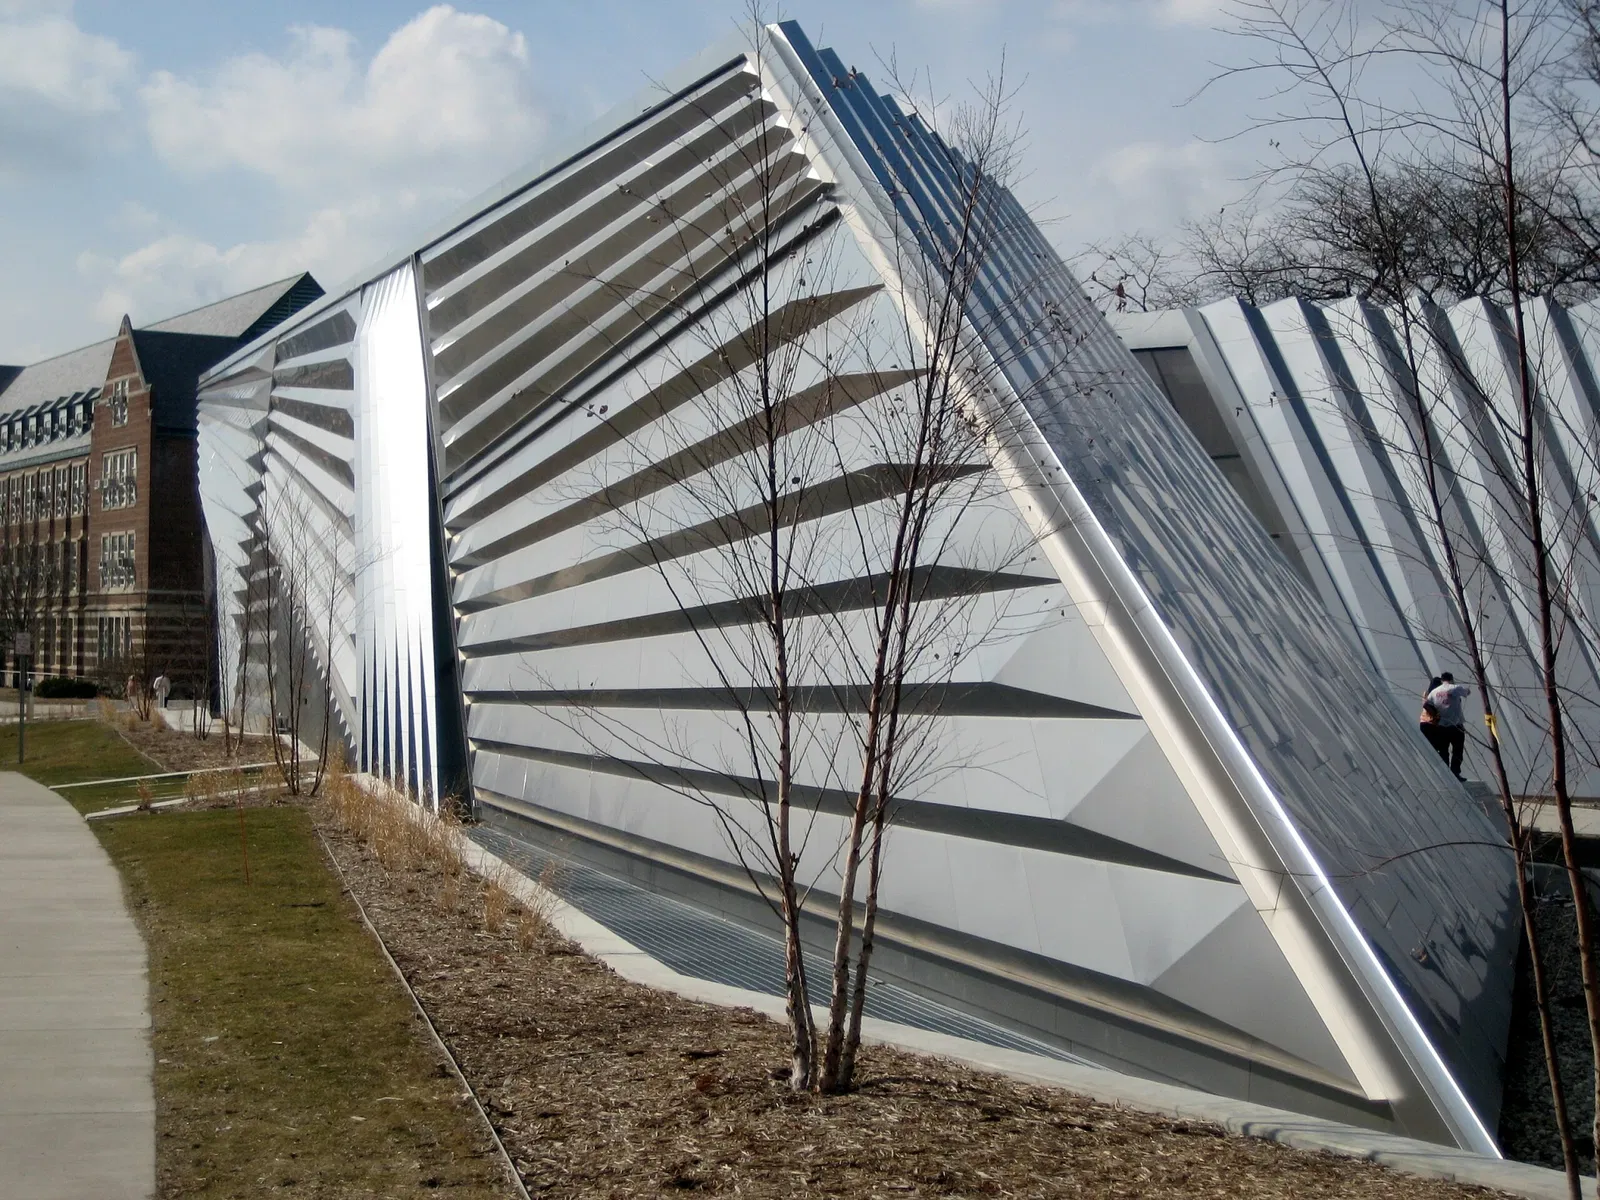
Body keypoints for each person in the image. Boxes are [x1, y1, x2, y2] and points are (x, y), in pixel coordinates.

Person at [1426, 672, 1473, 780]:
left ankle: (1446, 774)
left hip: (1441, 726)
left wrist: (1436, 716)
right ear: (1451, 679)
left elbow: (1427, 704)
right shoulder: (1455, 688)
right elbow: (1467, 692)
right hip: (1456, 725)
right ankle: (1455, 772)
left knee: (1443, 750)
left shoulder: (1434, 692)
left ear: (1442, 680)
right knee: (1457, 750)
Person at [1419, 676, 1447, 760]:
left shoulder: (1427, 693)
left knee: (1430, 749)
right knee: (1441, 749)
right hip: (1432, 725)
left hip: (1425, 724)